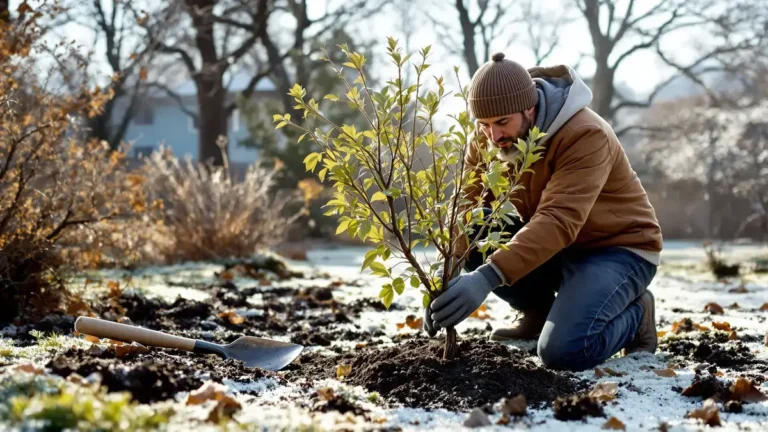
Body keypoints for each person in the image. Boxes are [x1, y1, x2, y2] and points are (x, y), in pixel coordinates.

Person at [423, 52, 663, 371]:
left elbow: (558, 221)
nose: (493, 136)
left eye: (502, 123)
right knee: (479, 233)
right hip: (555, 250)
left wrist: (485, 278)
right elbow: (466, 208)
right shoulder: (488, 140)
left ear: (530, 108)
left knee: (563, 352)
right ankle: (539, 312)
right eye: (483, 125)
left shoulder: (584, 134)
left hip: (616, 250)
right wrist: (445, 271)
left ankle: (638, 316)